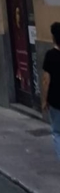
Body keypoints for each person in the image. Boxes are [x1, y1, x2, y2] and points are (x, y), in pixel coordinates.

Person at [42, 21, 60, 161]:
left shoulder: (50, 56)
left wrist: (44, 100)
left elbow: (46, 80)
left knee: (57, 132)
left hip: (55, 100)